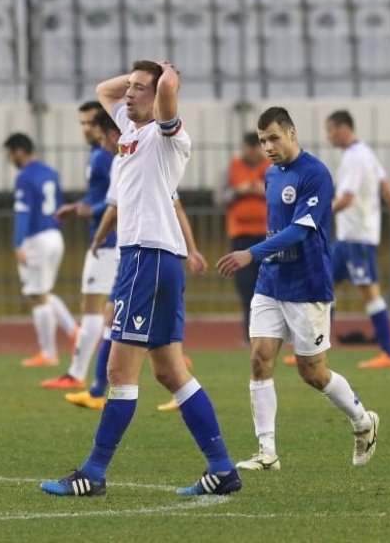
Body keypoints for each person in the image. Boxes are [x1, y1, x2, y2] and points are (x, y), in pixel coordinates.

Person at [40, 60, 240, 497]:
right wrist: (139, 73)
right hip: (156, 259)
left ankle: (93, 473)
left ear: (160, 96)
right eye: (129, 87)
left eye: (139, 89)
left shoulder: (169, 135)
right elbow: (102, 88)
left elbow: (166, 91)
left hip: (147, 258)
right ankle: (222, 468)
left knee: (118, 368)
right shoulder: (129, 131)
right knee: (169, 370)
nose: (128, 94)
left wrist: (166, 75)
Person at [216, 106, 379, 471]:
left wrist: (251, 253)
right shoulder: (271, 175)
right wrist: (262, 259)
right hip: (271, 281)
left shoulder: (316, 174)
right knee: (259, 360)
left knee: (313, 372)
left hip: (307, 284)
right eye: (261, 141)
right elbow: (277, 229)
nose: (268, 147)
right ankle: (267, 452)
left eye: (273, 137)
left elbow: (301, 230)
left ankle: (363, 422)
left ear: (291, 133)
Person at [65, 105, 209, 415]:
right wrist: (192, 249)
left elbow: (114, 208)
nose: (104, 145)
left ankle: (97, 391)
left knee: (124, 331)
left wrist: (98, 237)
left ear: (115, 133)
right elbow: (176, 207)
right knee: (149, 336)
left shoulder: (129, 158)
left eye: (104, 136)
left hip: (141, 258)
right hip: (147, 256)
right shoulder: (144, 159)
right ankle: (105, 388)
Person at [290, 109, 390, 370]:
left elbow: (346, 199)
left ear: (342, 129)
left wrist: (315, 214)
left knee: (369, 293)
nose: (328, 136)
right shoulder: (366, 153)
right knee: (325, 287)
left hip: (357, 237)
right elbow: (386, 186)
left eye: (330, 130)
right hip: (351, 237)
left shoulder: (354, 158)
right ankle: (313, 351)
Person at [41, 101, 117, 389]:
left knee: (94, 306)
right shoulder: (97, 154)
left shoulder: (103, 158)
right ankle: (170, 352)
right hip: (108, 238)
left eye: (91, 123)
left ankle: (76, 374)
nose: (86, 128)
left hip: (108, 241)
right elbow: (103, 197)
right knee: (106, 308)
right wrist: (78, 207)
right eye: (82, 123)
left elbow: (117, 198)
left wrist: (91, 210)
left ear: (103, 127)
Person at [5, 133, 77, 368]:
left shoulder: (24, 177)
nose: (9, 159)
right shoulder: (50, 172)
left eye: (9, 153)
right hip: (54, 235)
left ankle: (48, 353)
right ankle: (74, 331)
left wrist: (18, 243)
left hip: (36, 237)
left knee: (37, 295)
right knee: (44, 290)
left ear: (19, 151)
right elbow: (58, 206)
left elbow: (23, 211)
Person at [222, 132, 270, 342]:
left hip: (267, 236)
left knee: (269, 286)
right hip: (240, 236)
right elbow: (219, 196)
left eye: (256, 146)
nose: (253, 151)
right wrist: (238, 192)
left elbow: (286, 195)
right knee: (245, 286)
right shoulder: (232, 168)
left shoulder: (272, 168)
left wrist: (264, 191)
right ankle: (249, 334)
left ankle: (270, 333)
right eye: (249, 147)